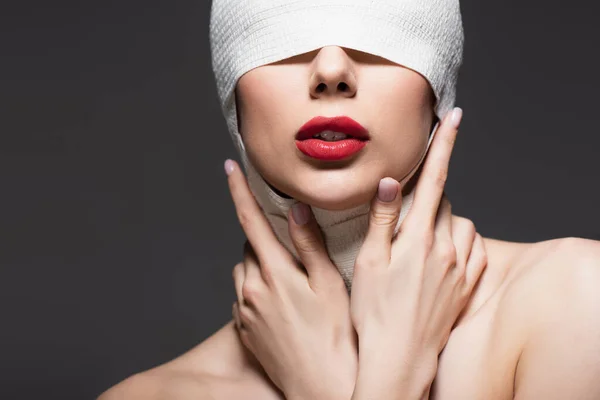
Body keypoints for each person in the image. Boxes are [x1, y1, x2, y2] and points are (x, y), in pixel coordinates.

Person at [98, 0, 600, 399]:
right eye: (284, 16)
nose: (332, 69)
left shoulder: (577, 300)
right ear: (231, 85)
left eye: (377, 18)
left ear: (437, 86)